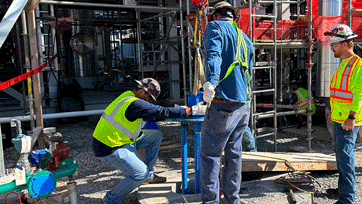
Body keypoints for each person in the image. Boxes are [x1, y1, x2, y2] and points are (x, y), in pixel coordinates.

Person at [92, 78, 205, 204]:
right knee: (140, 173)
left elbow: (153, 114)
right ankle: (109, 200)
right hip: (110, 145)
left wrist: (178, 110)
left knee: (155, 136)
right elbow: (160, 111)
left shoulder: (128, 96)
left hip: (119, 138)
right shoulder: (134, 103)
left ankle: (149, 176)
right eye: (149, 98)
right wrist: (189, 111)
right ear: (141, 91)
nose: (149, 101)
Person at [201, 1, 254, 203]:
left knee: (211, 156)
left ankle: (211, 201)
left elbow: (213, 55)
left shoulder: (215, 27)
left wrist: (211, 83)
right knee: (234, 155)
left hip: (223, 103)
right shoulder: (245, 37)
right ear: (233, 17)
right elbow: (249, 71)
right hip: (242, 105)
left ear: (215, 15)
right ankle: (233, 199)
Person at [324, 24, 362, 204]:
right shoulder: (345, 63)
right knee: (341, 156)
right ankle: (344, 190)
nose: (331, 48)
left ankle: (347, 198)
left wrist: (351, 118)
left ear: (344, 44)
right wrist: (335, 112)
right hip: (340, 118)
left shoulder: (358, 65)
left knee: (345, 158)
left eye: (334, 44)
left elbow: (359, 94)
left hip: (347, 121)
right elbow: (341, 93)